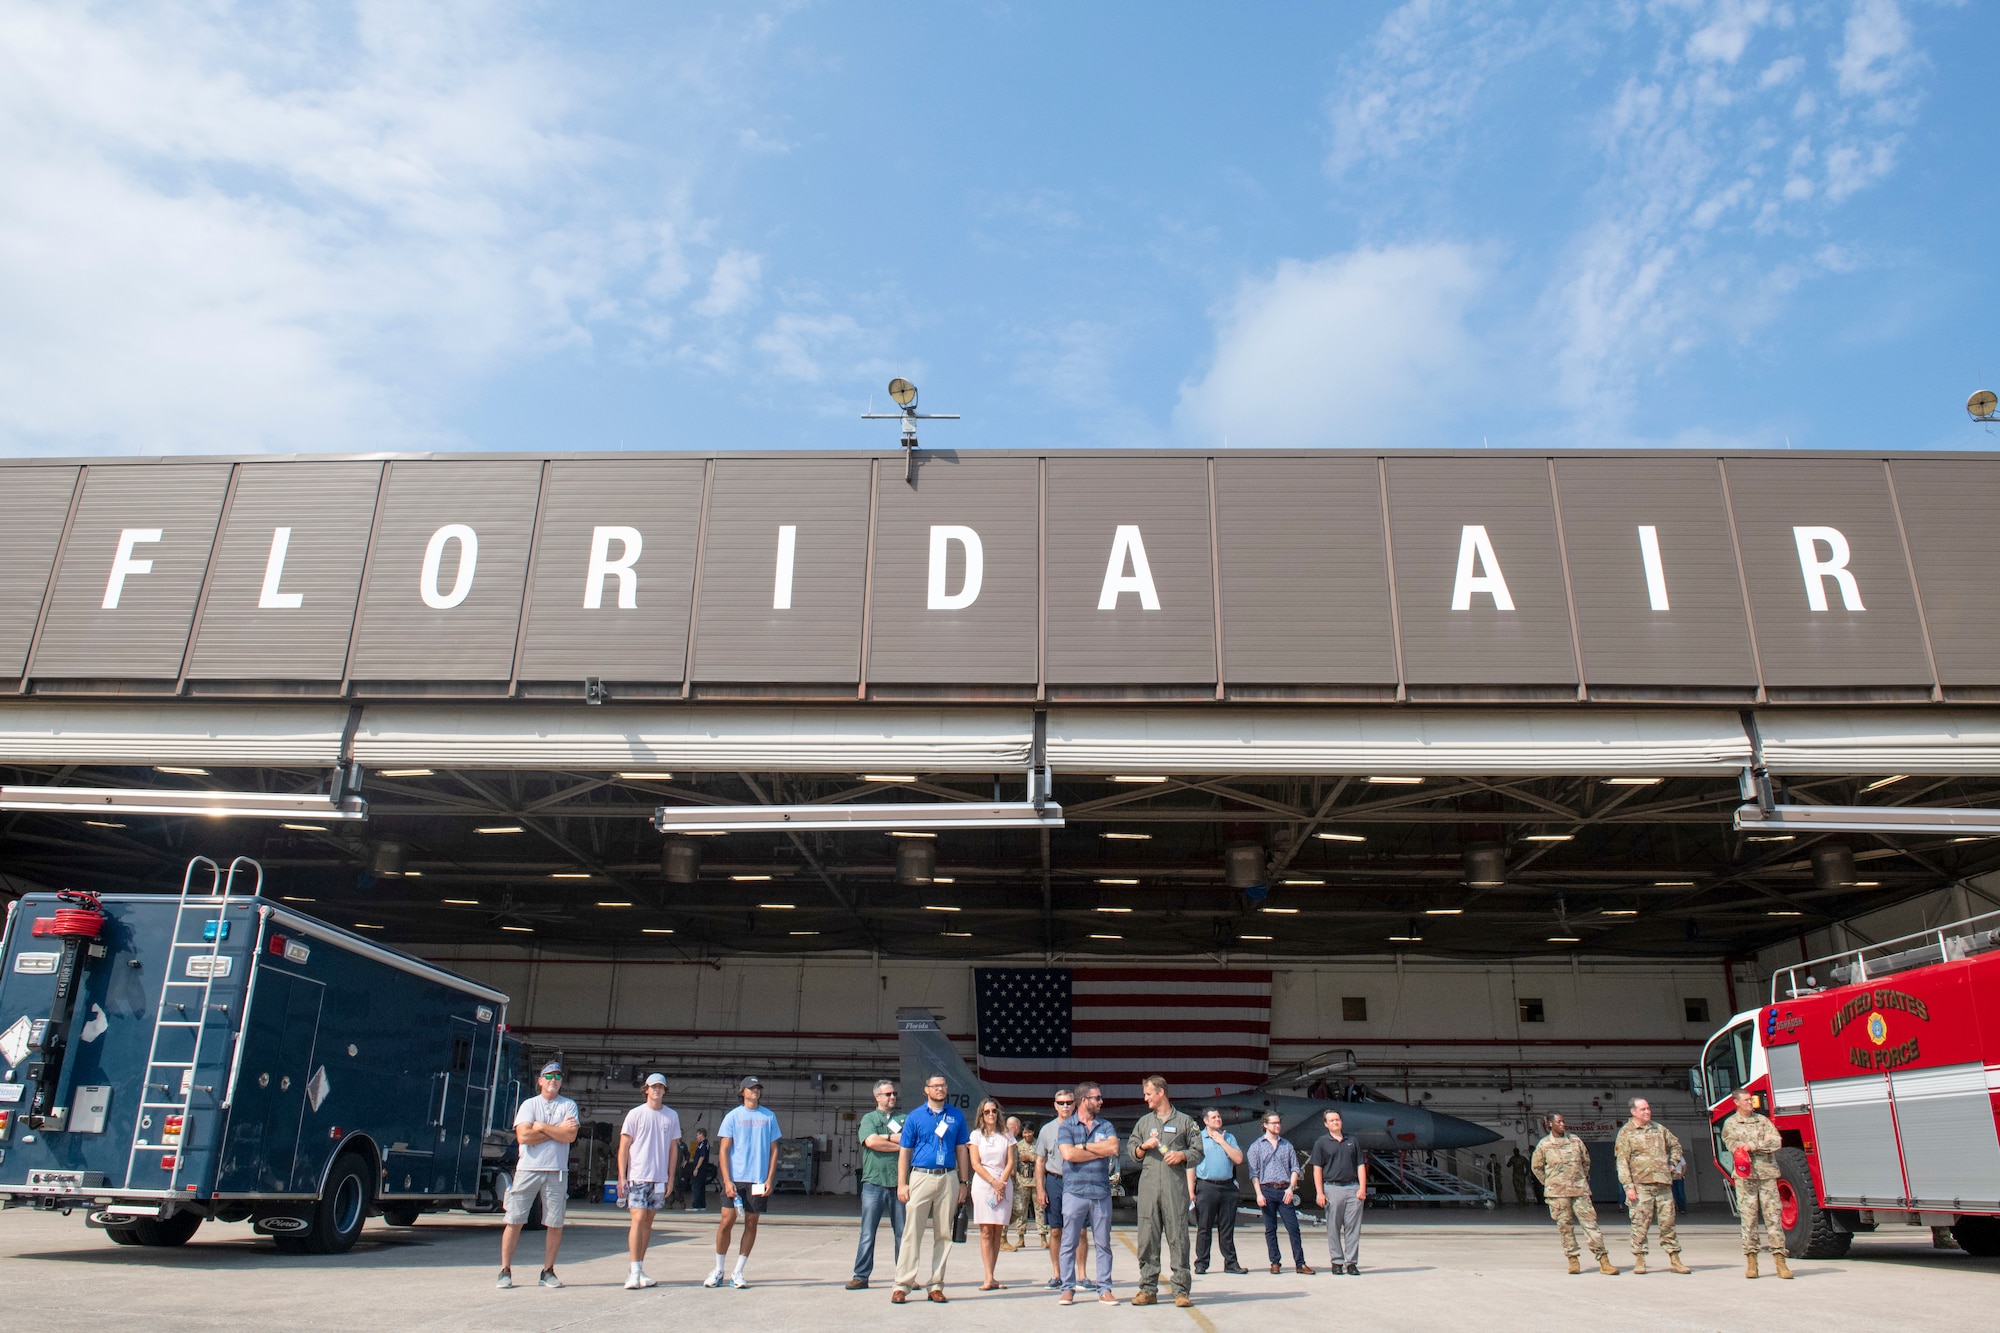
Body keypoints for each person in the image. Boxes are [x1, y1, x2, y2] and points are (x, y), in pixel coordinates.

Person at [497, 1061, 579, 1290]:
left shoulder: (569, 1106)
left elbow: (570, 1135)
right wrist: (555, 1130)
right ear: (540, 1081)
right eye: (549, 1076)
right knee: (514, 1219)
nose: (554, 1080)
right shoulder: (529, 1105)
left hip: (557, 1171)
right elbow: (524, 1137)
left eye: (558, 1076)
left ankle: (548, 1271)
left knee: (554, 1222)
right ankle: (505, 1271)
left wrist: (541, 1127)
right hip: (528, 1169)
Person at [890, 1071, 971, 1304]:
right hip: (921, 1176)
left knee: (944, 1233)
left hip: (948, 1177)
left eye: (943, 1085)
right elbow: (905, 1151)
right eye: (935, 1086)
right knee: (911, 1232)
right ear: (926, 1089)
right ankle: (902, 1284)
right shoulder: (915, 1117)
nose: (940, 1089)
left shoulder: (955, 1116)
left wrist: (964, 1182)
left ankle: (936, 1284)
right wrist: (902, 1183)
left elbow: (961, 1149)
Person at [1127, 1075, 1203, 1307]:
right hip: (1149, 1186)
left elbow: (1198, 1151)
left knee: (1178, 1236)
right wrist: (1142, 1147)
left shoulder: (1185, 1122)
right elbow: (1131, 1151)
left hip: (1174, 1187)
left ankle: (1181, 1290)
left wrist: (1182, 1155)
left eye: (1149, 1093)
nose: (1145, 1098)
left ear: (1161, 1093)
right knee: (1147, 1238)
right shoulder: (1143, 1123)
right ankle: (1147, 1289)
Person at [709, 1076, 782, 1289]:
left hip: (758, 1179)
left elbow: (774, 1149)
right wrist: (727, 1180)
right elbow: (723, 1150)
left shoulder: (769, 1116)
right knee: (726, 1221)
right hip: (736, 1178)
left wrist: (769, 1178)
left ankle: (738, 1271)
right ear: (742, 1092)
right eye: (751, 1088)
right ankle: (718, 1268)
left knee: (751, 1223)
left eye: (758, 1088)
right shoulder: (733, 1116)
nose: (755, 1091)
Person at [1057, 1079, 1121, 1306]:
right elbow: (1068, 1155)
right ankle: (1067, 1288)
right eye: (1097, 1098)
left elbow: (1113, 1148)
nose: (1101, 1102)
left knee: (1103, 1243)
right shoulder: (1066, 1126)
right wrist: (1096, 1150)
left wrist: (1082, 1147)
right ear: (1084, 1100)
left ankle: (1104, 1288)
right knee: (1069, 1241)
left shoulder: (1105, 1126)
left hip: (1100, 1192)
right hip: (1074, 1192)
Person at [616, 1073, 682, 1290]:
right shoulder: (635, 1114)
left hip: (659, 1177)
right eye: (653, 1087)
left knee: (648, 1223)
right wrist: (622, 1176)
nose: (656, 1090)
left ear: (664, 1091)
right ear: (646, 1089)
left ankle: (639, 1268)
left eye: (660, 1087)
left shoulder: (671, 1116)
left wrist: (671, 1177)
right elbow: (624, 1146)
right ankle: (634, 1270)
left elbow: (673, 1149)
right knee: (638, 1218)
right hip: (638, 1175)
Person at [1720, 1089, 1793, 1280]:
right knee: (1749, 1219)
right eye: (1745, 1100)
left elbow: (1776, 1141)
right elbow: (1734, 1146)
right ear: (1736, 1102)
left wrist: (1753, 1146)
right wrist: (1763, 1142)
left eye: (1750, 1100)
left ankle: (1780, 1261)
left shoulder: (1763, 1121)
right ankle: (1752, 1262)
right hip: (1746, 1178)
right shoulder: (1730, 1124)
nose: (1750, 1103)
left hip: (1767, 1175)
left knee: (1773, 1218)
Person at [1531, 1113, 1616, 1275]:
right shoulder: (1544, 1145)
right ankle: (1573, 1259)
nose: (1562, 1124)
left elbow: (1586, 1161)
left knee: (1591, 1225)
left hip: (1579, 1191)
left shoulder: (1575, 1141)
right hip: (1558, 1194)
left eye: (1563, 1121)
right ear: (1550, 1124)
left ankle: (1603, 1260)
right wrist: (1551, 1183)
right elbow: (1537, 1168)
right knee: (1565, 1227)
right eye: (1558, 1122)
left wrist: (1580, 1179)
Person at [1614, 1097, 1690, 1275]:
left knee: (1668, 1223)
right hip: (1641, 1185)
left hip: (1663, 1184)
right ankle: (1640, 1259)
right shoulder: (1626, 1133)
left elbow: (1676, 1145)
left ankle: (1675, 1259)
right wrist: (1628, 1187)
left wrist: (1672, 1163)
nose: (1647, 1112)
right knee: (1640, 1223)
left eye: (1648, 1108)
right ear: (1633, 1112)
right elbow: (1622, 1162)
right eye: (1643, 1110)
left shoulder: (1659, 1129)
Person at [848, 1079, 906, 1290]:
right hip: (873, 1183)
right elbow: (871, 1142)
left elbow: (910, 1141)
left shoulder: (904, 1119)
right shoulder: (869, 1118)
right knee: (867, 1232)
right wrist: (897, 1143)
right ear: (877, 1097)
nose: (892, 1097)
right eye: (888, 1094)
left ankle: (904, 1276)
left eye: (894, 1094)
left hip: (898, 1183)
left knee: (902, 1233)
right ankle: (861, 1276)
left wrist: (886, 1139)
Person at [1037, 1089, 1092, 1291]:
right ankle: (1057, 1274)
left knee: (1082, 1231)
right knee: (1056, 1230)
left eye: (1069, 1102)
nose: (1065, 1106)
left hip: (1079, 1181)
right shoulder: (1047, 1130)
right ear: (1055, 1105)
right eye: (1061, 1103)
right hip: (1055, 1180)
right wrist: (1041, 1189)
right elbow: (1040, 1161)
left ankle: (1082, 1275)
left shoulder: (1085, 1127)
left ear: (1075, 1104)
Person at [1247, 1112, 1311, 1274]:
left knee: (1293, 1227)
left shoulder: (1287, 1145)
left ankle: (1300, 1263)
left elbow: (1295, 1168)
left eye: (1279, 1123)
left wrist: (1291, 1188)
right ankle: (1275, 1261)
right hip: (1267, 1189)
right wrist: (1258, 1194)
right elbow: (1253, 1173)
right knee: (1270, 1228)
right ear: (1265, 1125)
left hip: (1284, 1190)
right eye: (1274, 1123)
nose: (1278, 1126)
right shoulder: (1256, 1146)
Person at [1310, 1108, 1368, 1276]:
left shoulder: (1353, 1141)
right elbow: (1317, 1169)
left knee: (1353, 1227)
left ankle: (1351, 1262)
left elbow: (1360, 1165)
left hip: (1352, 1188)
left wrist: (1362, 1188)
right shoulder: (1321, 1142)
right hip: (1332, 1188)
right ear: (1326, 1124)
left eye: (1338, 1119)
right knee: (1333, 1227)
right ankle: (1336, 1261)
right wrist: (1319, 1192)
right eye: (1332, 1120)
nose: (1336, 1122)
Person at [969, 1098, 1017, 1290]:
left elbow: (1011, 1162)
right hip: (984, 1183)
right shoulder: (976, 1136)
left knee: (998, 1229)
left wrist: (1001, 1183)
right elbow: (975, 1163)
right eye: (987, 1112)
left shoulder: (1006, 1135)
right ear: (981, 1114)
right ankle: (987, 1276)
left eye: (994, 1111)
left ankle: (993, 1274)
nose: (991, 1115)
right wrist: (993, 1182)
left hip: (1003, 1183)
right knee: (986, 1230)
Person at [1193, 1107, 1247, 1276]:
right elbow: (1190, 1165)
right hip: (1206, 1186)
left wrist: (1222, 1142)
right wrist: (1190, 1190)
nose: (1218, 1119)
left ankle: (1231, 1263)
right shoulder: (1198, 1138)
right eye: (1214, 1117)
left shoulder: (1229, 1137)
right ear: (1206, 1121)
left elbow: (1238, 1159)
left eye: (1219, 1117)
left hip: (1227, 1187)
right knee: (1204, 1227)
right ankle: (1201, 1263)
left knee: (1227, 1227)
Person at [1003, 1115, 1038, 1250]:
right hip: (1003, 1180)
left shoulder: (1012, 1141)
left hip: (1016, 1181)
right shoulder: (1003, 1139)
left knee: (1018, 1209)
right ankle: (1002, 1237)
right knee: (1004, 1210)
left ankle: (1000, 1231)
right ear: (1017, 1128)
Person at [689, 1128, 713, 1210]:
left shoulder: (704, 1144)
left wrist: (697, 1168)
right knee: (701, 1187)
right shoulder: (701, 1144)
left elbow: (702, 1157)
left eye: (697, 1135)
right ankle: (702, 1204)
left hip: (700, 1169)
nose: (696, 1137)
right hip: (702, 1169)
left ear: (701, 1135)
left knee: (697, 1186)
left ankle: (696, 1204)